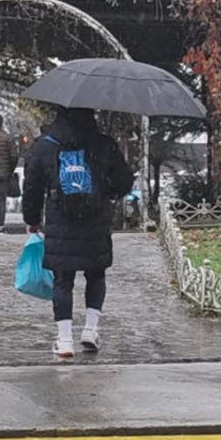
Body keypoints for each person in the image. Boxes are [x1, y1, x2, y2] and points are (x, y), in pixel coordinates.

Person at [22, 108, 134, 357]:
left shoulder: (45, 146)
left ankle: (64, 341)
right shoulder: (104, 144)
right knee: (96, 274)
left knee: (63, 280)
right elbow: (124, 180)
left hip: (60, 221)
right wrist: (107, 193)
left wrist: (31, 220)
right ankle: (90, 330)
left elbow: (31, 186)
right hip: (96, 219)